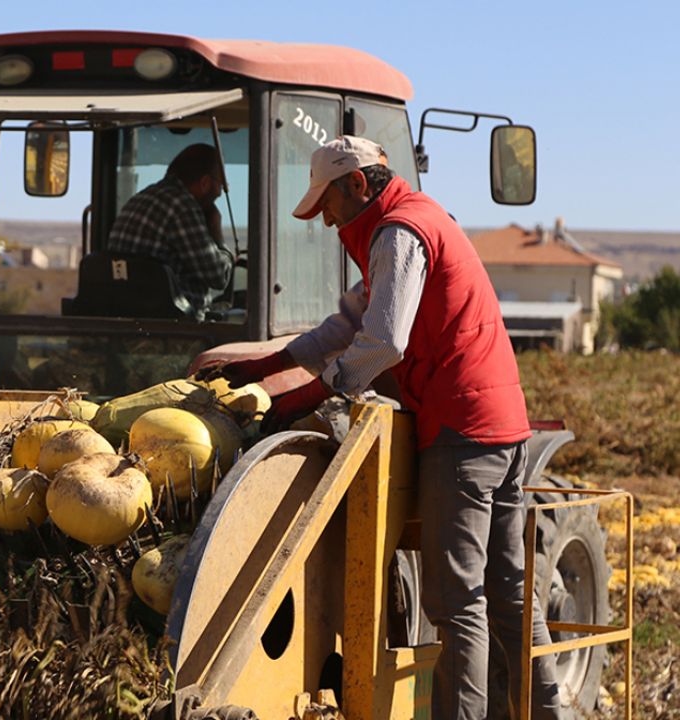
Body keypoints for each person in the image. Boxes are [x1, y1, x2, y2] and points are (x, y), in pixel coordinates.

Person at [197, 136, 567, 719]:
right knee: (509, 594)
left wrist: (316, 393)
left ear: (359, 185)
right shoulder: (414, 223)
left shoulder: (399, 233)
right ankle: (552, 711)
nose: (327, 222)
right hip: (502, 427)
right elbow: (347, 324)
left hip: (461, 433)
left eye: (329, 208)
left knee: (456, 601)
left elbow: (385, 341)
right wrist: (270, 365)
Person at [107, 143, 233, 316]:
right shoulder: (182, 206)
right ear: (204, 183)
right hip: (175, 332)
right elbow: (218, 276)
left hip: (131, 321)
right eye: (221, 184)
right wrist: (216, 232)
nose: (219, 193)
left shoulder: (140, 198)